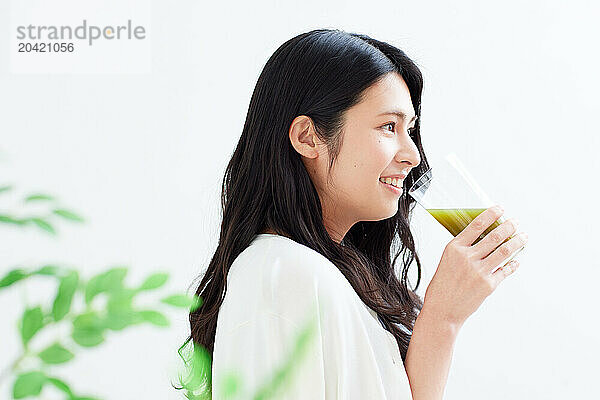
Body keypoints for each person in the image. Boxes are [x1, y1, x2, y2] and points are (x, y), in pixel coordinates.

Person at [182, 28, 528, 399]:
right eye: (388, 126)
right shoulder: (282, 271)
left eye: (409, 129)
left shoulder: (318, 276)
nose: (412, 155)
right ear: (308, 137)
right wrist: (442, 317)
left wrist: (443, 320)